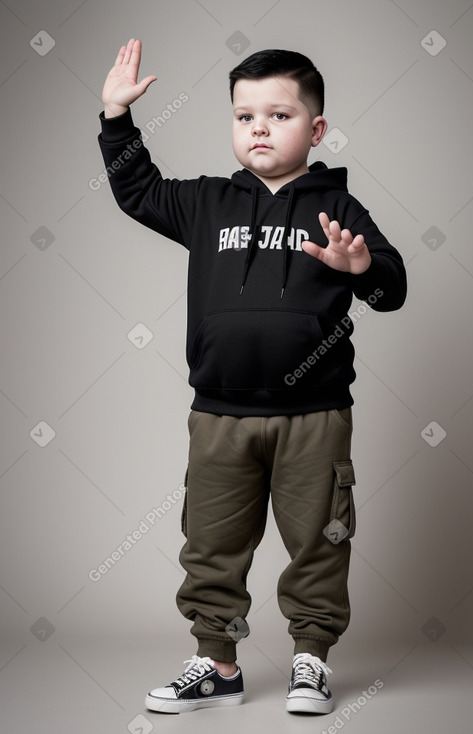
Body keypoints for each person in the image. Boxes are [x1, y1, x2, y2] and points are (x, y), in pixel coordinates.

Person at [98, 38, 407, 716]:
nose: (259, 128)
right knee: (211, 542)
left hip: (314, 415)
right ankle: (216, 663)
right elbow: (136, 191)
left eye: (278, 114)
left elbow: (391, 291)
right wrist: (116, 119)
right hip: (219, 415)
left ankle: (310, 662)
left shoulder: (339, 210)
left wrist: (362, 271)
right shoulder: (206, 204)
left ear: (316, 129)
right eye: (244, 117)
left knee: (318, 539)